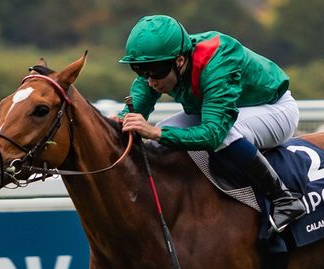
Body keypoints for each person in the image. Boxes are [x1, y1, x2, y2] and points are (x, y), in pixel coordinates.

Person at [117, 15, 306, 233]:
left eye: (156, 72)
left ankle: (284, 199)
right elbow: (139, 102)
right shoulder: (160, 61)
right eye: (140, 70)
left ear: (180, 60)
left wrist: (155, 132)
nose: (150, 80)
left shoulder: (217, 60)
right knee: (164, 130)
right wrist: (123, 119)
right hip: (230, 109)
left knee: (222, 134)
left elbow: (213, 134)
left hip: (275, 109)